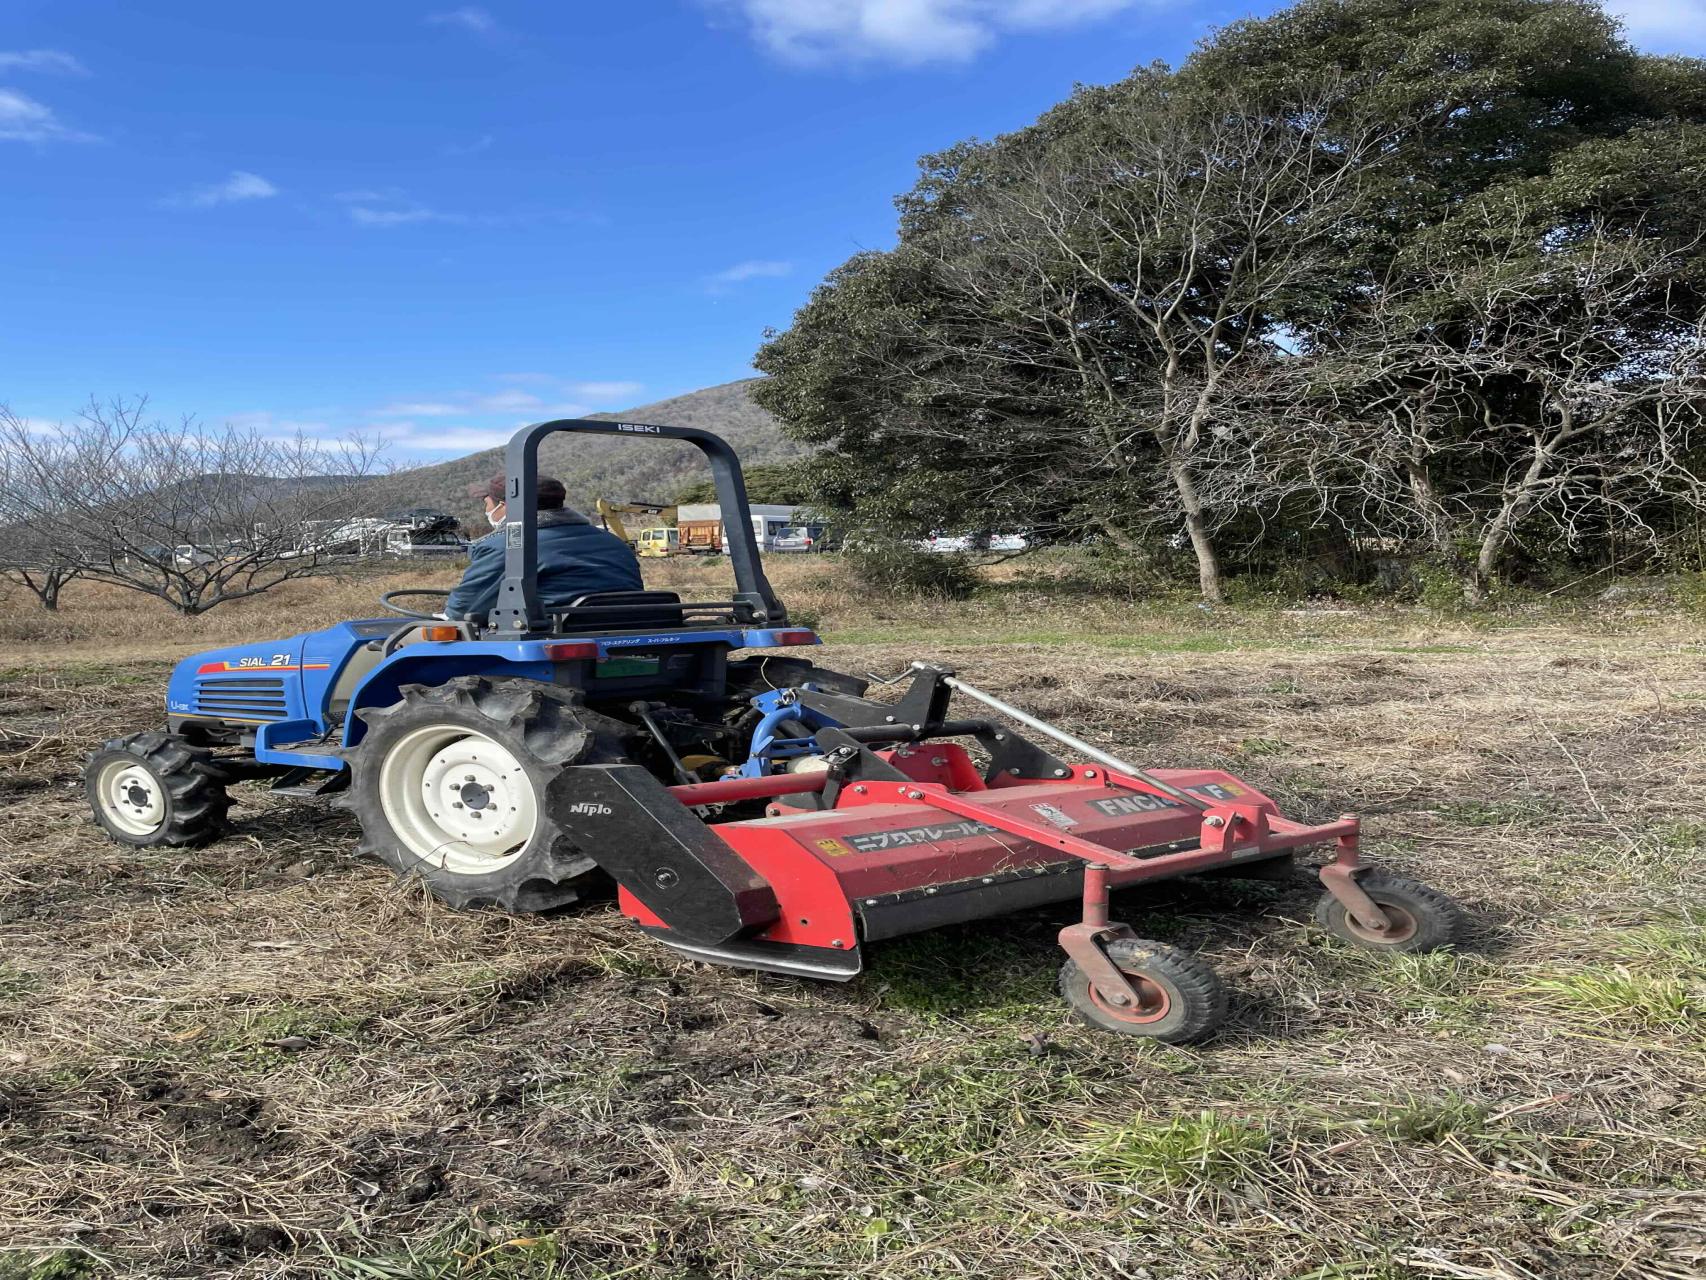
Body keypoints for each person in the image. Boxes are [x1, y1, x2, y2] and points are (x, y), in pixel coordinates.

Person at [444, 472, 643, 623]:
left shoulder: (507, 546)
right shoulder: (613, 541)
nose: (486, 510)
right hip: (631, 624)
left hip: (553, 635)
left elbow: (464, 610)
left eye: (487, 503)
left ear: (506, 505)